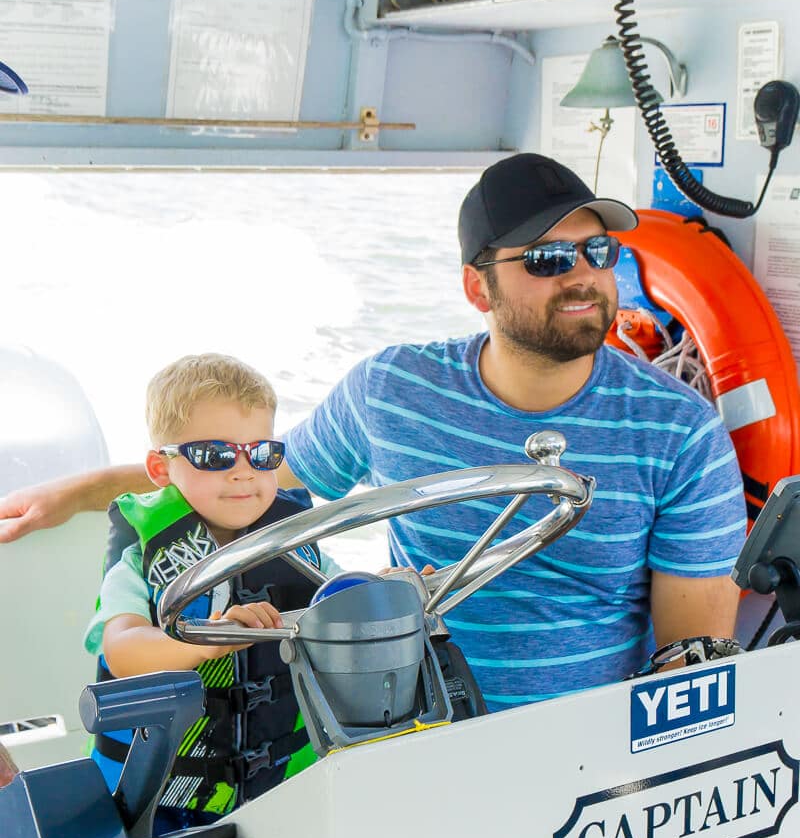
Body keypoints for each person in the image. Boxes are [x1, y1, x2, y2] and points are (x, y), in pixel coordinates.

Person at [0, 154, 746, 712]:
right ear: (476, 287)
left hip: (579, 747)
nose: (583, 277)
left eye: (598, 253)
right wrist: (85, 488)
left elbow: (689, 662)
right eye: (549, 259)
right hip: (402, 725)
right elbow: (257, 479)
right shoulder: (393, 391)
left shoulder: (679, 430)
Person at [84, 353, 327, 832]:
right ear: (161, 467)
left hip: (282, 787)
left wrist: (386, 585)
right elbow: (123, 650)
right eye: (215, 455)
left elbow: (336, 596)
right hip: (162, 802)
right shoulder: (139, 560)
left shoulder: (292, 540)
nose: (243, 472)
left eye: (261, 455)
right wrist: (208, 638)